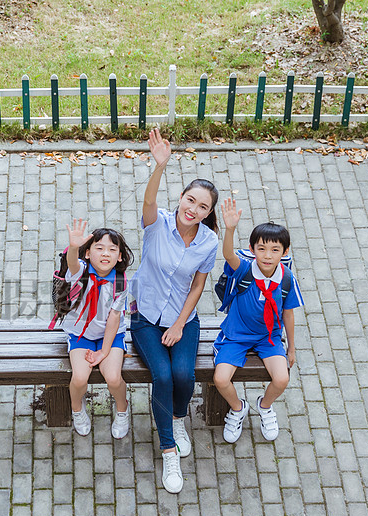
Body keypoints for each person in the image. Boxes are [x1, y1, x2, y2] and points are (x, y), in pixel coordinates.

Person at [129, 128, 220, 494]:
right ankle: (168, 450)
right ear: (181, 197)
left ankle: (178, 418)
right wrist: (160, 166)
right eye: (190, 200)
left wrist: (181, 324)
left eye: (202, 207)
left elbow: (198, 285)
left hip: (182, 319)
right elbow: (148, 200)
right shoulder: (158, 224)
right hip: (146, 317)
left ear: (208, 213)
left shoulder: (208, 242)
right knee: (162, 378)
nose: (193, 209)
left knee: (184, 376)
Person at [213, 198, 304, 443]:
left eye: (275, 250)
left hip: (268, 337)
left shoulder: (286, 279)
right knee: (220, 379)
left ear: (285, 252)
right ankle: (237, 408)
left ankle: (264, 406)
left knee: (282, 378)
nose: (267, 255)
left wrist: (291, 347)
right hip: (236, 336)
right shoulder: (244, 270)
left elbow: (289, 313)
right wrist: (230, 229)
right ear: (252, 249)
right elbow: (228, 254)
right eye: (261, 248)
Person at [59, 219, 134, 439]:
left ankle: (122, 409)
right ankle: (77, 408)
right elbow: (72, 262)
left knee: (113, 377)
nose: (105, 253)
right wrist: (74, 246)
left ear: (119, 256)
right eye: (99, 248)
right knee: (80, 378)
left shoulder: (120, 282)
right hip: (80, 334)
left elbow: (114, 317)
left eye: (112, 249)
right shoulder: (80, 271)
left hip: (110, 335)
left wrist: (104, 351)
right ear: (88, 253)